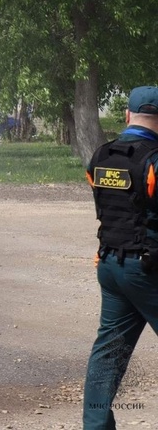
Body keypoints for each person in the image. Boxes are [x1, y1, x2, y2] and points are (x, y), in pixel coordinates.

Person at [83, 86, 158, 428]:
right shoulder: (154, 159)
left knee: (108, 356)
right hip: (148, 270)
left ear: (127, 116)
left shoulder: (101, 156)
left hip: (111, 266)